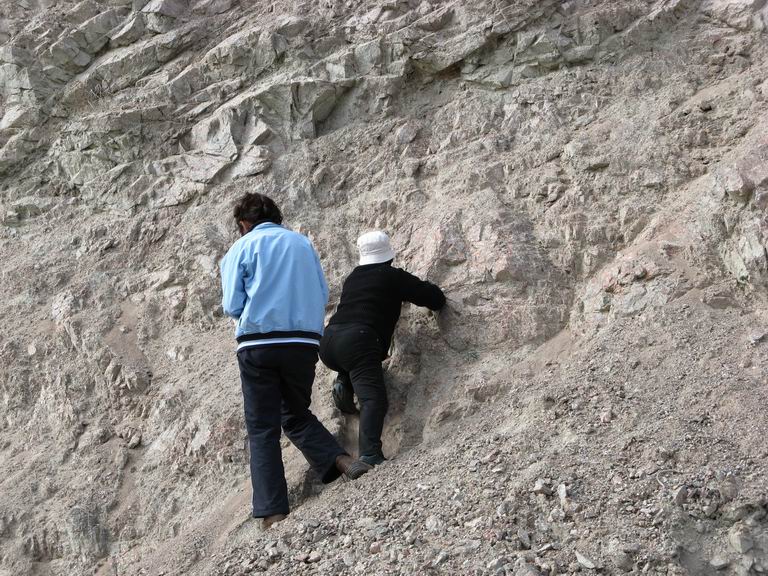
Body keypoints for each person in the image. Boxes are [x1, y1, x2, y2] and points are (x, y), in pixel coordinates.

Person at [220, 192, 359, 529]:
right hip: (303, 343)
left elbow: (231, 305)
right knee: (294, 412)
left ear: (243, 223)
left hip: (259, 344)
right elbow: (323, 293)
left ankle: (273, 512)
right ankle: (340, 460)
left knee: (262, 428)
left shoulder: (241, 248)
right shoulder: (302, 244)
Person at [319, 231, 446, 478]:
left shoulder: (353, 277)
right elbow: (433, 298)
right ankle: (370, 454)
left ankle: (344, 379)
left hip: (329, 342)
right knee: (373, 398)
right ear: (388, 255)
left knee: (358, 361)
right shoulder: (392, 276)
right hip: (358, 341)